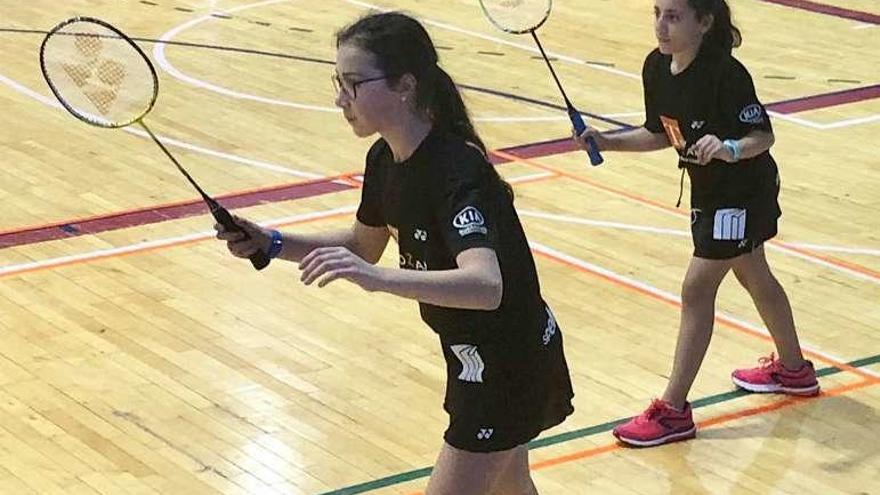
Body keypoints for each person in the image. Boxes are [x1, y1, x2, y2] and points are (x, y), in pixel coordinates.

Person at [217, 11, 574, 494]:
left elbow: (486, 285)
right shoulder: (385, 159)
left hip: (509, 361)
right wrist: (271, 242)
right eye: (337, 82)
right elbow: (363, 244)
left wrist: (376, 278)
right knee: (512, 488)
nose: (340, 98)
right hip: (477, 356)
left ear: (405, 85)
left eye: (353, 83)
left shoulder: (456, 171)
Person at [573, 0, 819, 448]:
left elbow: (763, 136)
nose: (661, 26)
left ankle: (673, 410)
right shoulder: (657, 67)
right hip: (710, 193)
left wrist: (728, 147)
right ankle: (795, 370)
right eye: (656, 13)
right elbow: (660, 133)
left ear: (704, 23)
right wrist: (606, 140)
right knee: (753, 273)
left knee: (696, 288)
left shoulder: (726, 73)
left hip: (742, 191)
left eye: (673, 17)